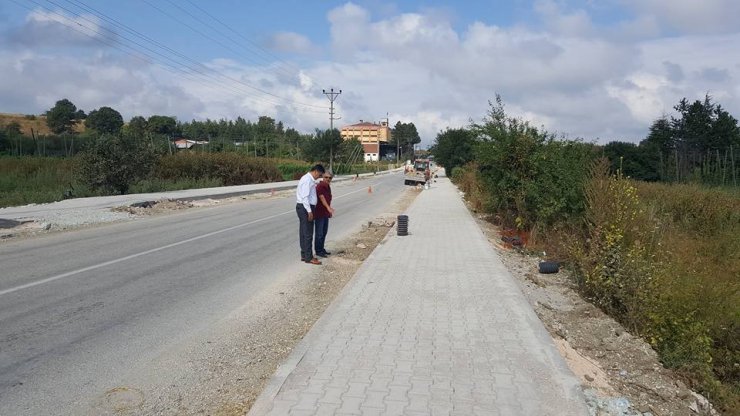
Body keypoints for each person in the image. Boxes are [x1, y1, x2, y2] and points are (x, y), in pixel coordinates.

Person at [296, 164, 325, 265]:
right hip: (305, 208)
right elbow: (305, 197)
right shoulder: (307, 180)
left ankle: (304, 254)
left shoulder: (308, 179)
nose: (319, 177)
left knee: (303, 233)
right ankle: (309, 257)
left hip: (303, 207)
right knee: (308, 234)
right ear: (316, 171)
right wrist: (309, 211)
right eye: (320, 175)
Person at [314, 172, 335, 257]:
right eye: (326, 177)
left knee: (324, 232)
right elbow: (322, 198)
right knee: (319, 233)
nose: (328, 179)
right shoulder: (320, 186)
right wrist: (328, 208)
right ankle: (318, 251)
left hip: (325, 213)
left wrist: (328, 211)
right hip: (319, 213)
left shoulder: (327, 186)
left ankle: (322, 249)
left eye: (330, 178)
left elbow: (328, 198)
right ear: (322, 177)